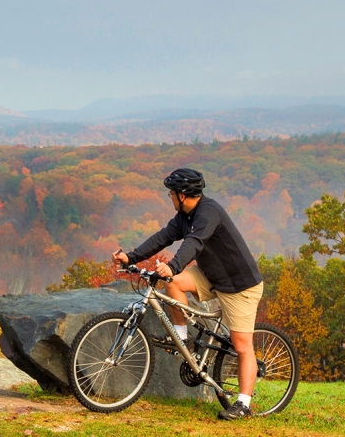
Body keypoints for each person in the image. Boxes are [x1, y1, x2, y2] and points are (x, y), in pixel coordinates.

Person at [111, 167, 264, 420]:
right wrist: (131, 256)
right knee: (173, 284)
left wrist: (172, 266)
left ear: (182, 195)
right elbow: (164, 236)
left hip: (239, 285)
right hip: (211, 276)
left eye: (171, 193)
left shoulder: (208, 213)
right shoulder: (184, 215)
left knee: (241, 346)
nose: (170, 197)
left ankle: (244, 404)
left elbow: (194, 243)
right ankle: (180, 339)